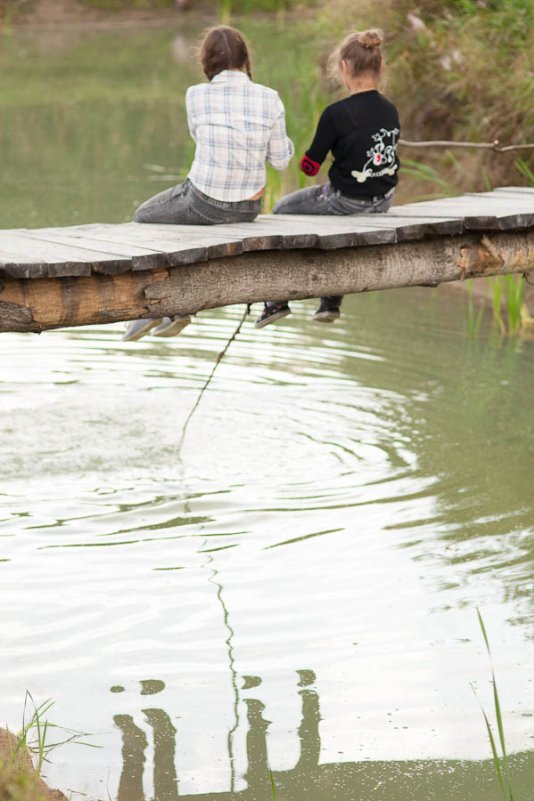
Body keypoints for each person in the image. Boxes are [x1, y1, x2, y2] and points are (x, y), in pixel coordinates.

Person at [124, 25, 294, 341]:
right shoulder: (270, 98)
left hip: (203, 200)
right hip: (248, 207)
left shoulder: (196, 95)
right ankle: (176, 307)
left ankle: (164, 306)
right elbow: (282, 161)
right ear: (245, 59)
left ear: (206, 61)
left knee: (145, 217)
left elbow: (199, 137)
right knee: (186, 222)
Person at [255, 28, 400, 329]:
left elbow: (309, 167)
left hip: (347, 200)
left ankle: (277, 300)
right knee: (330, 212)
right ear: (380, 67)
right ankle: (330, 300)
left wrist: (308, 158)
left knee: (283, 209)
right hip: (383, 201)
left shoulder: (336, 114)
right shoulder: (390, 110)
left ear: (344, 68)